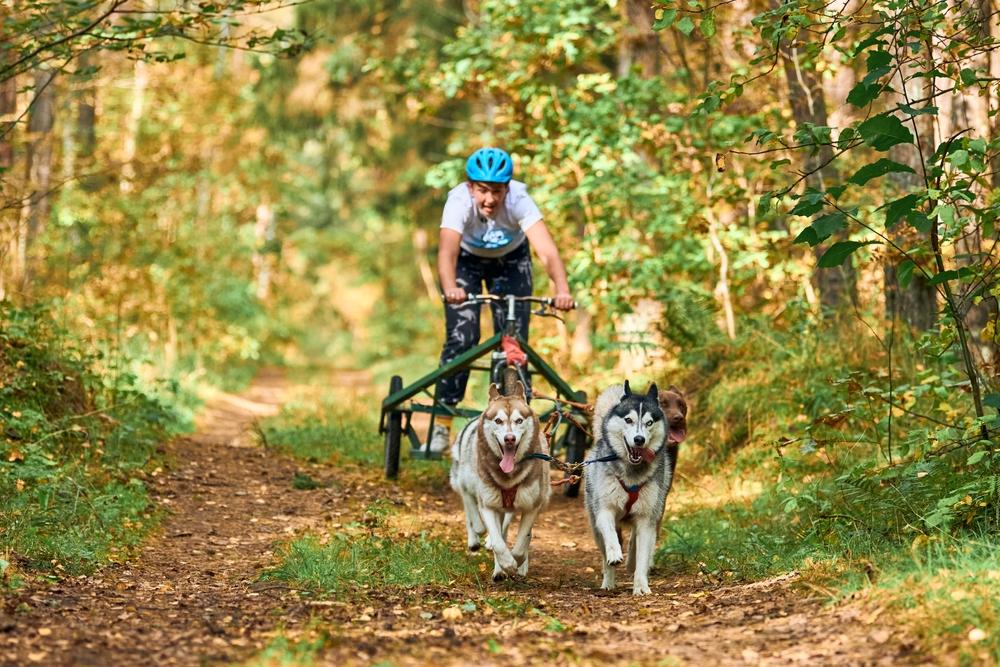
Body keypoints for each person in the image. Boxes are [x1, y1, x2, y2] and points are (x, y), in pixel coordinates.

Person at [428, 147, 574, 452]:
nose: (490, 200)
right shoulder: (458, 202)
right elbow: (447, 253)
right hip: (466, 261)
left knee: (514, 343)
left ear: (507, 188)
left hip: (511, 260)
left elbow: (546, 250)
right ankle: (441, 424)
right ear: (471, 188)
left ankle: (524, 425)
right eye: (482, 191)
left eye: (497, 191)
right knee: (462, 338)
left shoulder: (520, 200)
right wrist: (450, 287)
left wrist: (562, 289)